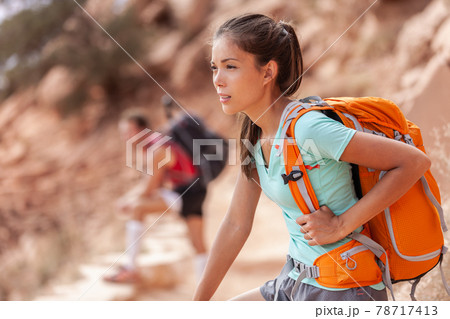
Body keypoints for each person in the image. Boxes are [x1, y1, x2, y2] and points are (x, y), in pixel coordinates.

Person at [193, 13, 431, 301]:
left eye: (230, 67)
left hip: (344, 288)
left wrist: (342, 225)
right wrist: (198, 304)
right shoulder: (254, 137)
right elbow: (235, 224)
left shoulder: (309, 128)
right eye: (214, 67)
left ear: (268, 72)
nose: (218, 79)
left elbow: (414, 162)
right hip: (294, 279)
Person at [104, 109, 209, 284]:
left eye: (128, 132)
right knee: (198, 243)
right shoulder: (159, 144)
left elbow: (149, 189)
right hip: (197, 191)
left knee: (138, 208)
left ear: (142, 130)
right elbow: (154, 185)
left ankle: (131, 268)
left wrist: (127, 201)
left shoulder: (157, 149)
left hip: (184, 193)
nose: (125, 137)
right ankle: (204, 291)